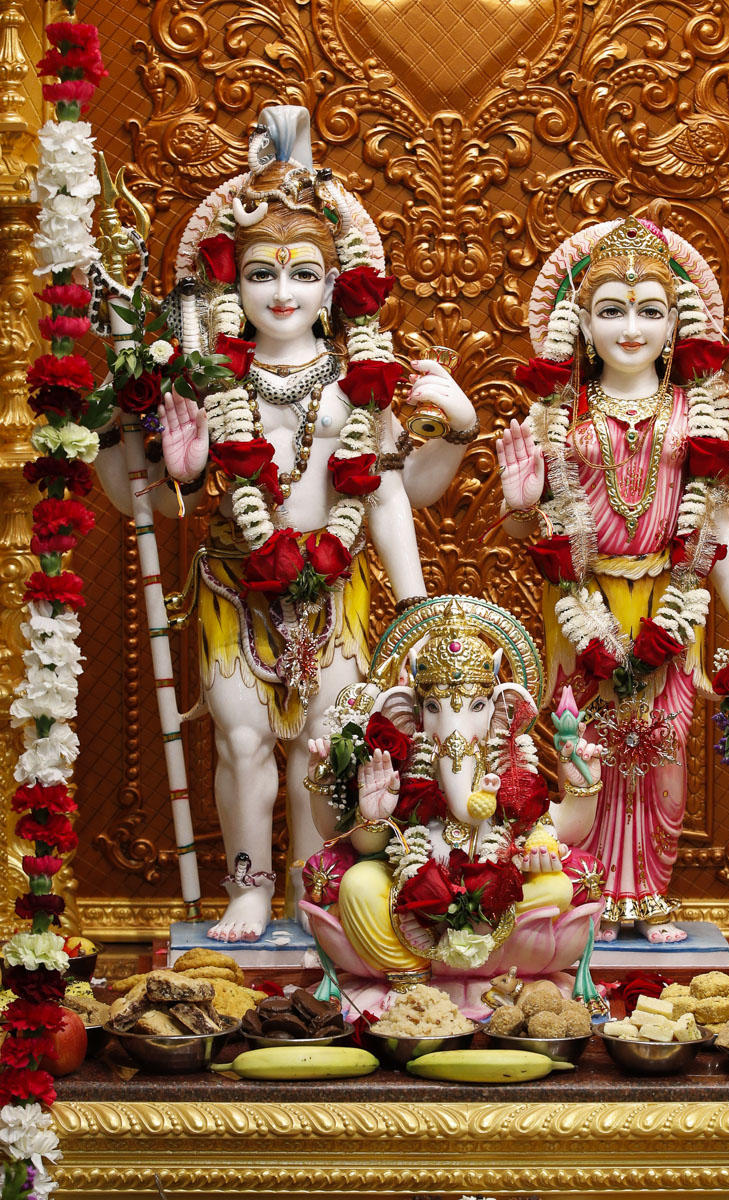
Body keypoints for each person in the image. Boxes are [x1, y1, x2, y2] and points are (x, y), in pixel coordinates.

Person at [93, 107, 478, 942]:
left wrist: (415, 604)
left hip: (333, 596)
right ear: (232, 287)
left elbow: (388, 496)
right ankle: (248, 887)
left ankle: (309, 885)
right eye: (261, 273)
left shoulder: (357, 385)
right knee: (241, 745)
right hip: (235, 587)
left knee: (320, 751)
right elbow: (146, 506)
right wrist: (133, 447)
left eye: (304, 274)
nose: (281, 292)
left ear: (335, 287)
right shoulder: (204, 383)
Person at [496, 203, 729, 945]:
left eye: (650, 310)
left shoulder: (695, 413)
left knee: (662, 755)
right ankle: (589, 891)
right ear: (581, 326)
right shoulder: (561, 416)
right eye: (611, 310)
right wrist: (519, 504)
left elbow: (716, 526)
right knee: (589, 751)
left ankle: (645, 893)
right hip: (581, 603)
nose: (631, 328)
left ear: (677, 326)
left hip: (669, 606)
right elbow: (529, 532)